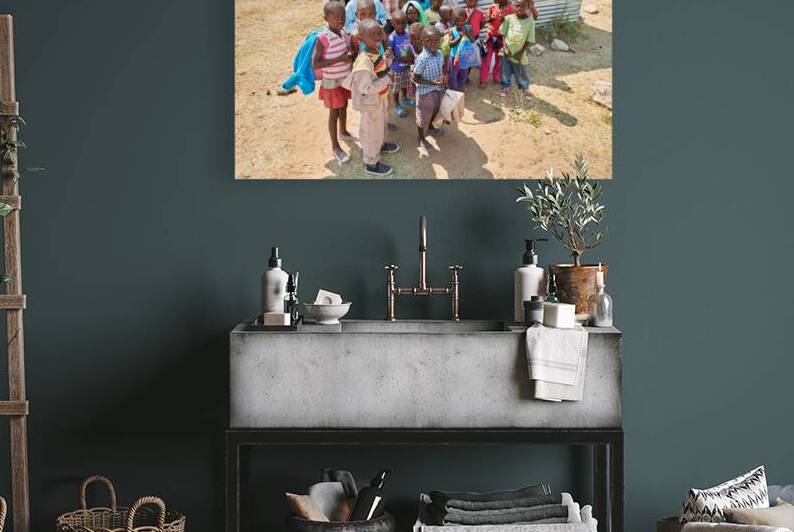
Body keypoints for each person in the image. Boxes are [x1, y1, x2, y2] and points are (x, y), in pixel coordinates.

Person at [343, 19, 400, 176]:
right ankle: (371, 162)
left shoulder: (375, 52)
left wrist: (387, 60)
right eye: (372, 35)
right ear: (361, 40)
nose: (377, 38)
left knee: (381, 126)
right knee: (371, 132)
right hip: (370, 104)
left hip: (380, 99)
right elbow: (365, 87)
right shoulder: (363, 61)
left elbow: (379, 71)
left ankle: (380, 145)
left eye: (379, 33)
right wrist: (387, 79)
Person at [314, 1, 357, 164]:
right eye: (336, 17)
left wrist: (351, 54)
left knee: (344, 106)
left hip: (344, 79)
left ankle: (344, 131)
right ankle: (335, 147)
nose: (341, 20)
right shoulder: (322, 38)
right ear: (326, 18)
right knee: (334, 113)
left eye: (343, 17)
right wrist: (339, 59)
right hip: (332, 82)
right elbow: (316, 63)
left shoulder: (344, 33)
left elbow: (345, 51)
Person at [412, 25, 446, 154]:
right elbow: (415, 78)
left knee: (435, 110)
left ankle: (431, 128)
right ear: (423, 41)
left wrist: (443, 77)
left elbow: (441, 68)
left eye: (436, 40)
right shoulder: (422, 59)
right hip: (424, 93)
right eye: (429, 40)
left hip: (437, 90)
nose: (433, 43)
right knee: (422, 116)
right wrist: (431, 82)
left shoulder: (439, 54)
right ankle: (420, 137)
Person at [499, 0, 535, 100]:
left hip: (520, 55)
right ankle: (505, 87)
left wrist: (520, 53)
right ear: (514, 6)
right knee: (505, 71)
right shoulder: (509, 18)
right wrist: (505, 48)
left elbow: (529, 40)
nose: (519, 8)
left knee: (522, 72)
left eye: (523, 6)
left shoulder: (530, 21)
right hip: (507, 53)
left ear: (528, 7)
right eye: (517, 5)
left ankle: (525, 89)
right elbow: (504, 34)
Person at [479, 0, 514, 88]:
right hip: (490, 36)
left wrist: (505, 20)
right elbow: (487, 20)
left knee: (499, 60)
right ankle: (483, 80)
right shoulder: (492, 6)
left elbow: (513, 24)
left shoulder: (511, 8)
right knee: (486, 59)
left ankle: (497, 77)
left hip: (502, 38)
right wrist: (491, 17)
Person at [388, 10, 415, 117]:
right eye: (398, 23)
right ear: (392, 23)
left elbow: (410, 46)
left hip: (406, 66)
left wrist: (410, 58)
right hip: (396, 68)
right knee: (395, 88)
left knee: (405, 83)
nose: (401, 25)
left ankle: (405, 98)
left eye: (403, 23)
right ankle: (396, 105)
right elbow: (389, 56)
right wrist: (402, 59)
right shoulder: (391, 38)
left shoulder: (407, 34)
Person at [446, 8, 474, 91]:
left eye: (463, 20)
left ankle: (461, 88)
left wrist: (467, 33)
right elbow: (450, 44)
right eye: (457, 21)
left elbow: (473, 40)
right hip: (455, 58)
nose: (460, 23)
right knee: (453, 75)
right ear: (453, 21)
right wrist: (460, 37)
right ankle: (454, 90)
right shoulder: (452, 30)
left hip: (464, 58)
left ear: (466, 19)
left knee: (464, 75)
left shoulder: (468, 28)